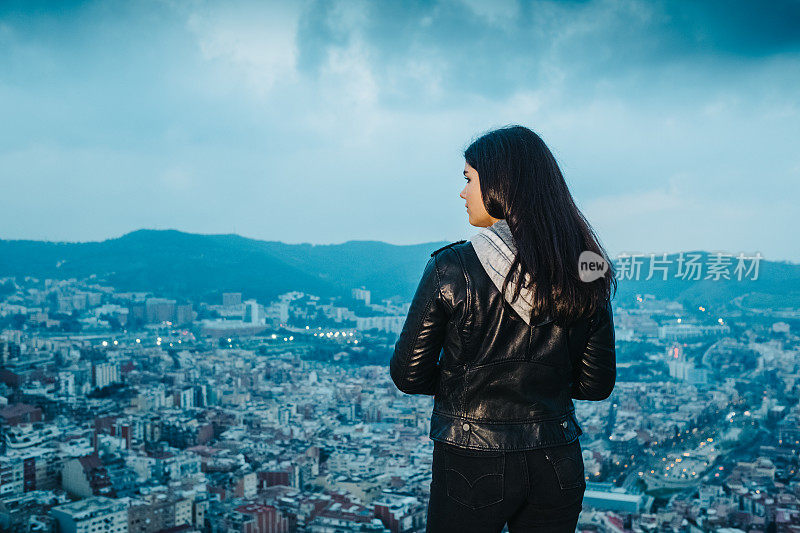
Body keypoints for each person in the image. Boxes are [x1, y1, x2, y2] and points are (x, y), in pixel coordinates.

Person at [389, 125, 617, 532]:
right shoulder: (587, 268)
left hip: (470, 460)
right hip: (557, 459)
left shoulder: (451, 268)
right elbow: (596, 385)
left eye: (468, 179)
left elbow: (409, 375)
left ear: (499, 183)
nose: (463, 193)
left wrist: (472, 386)